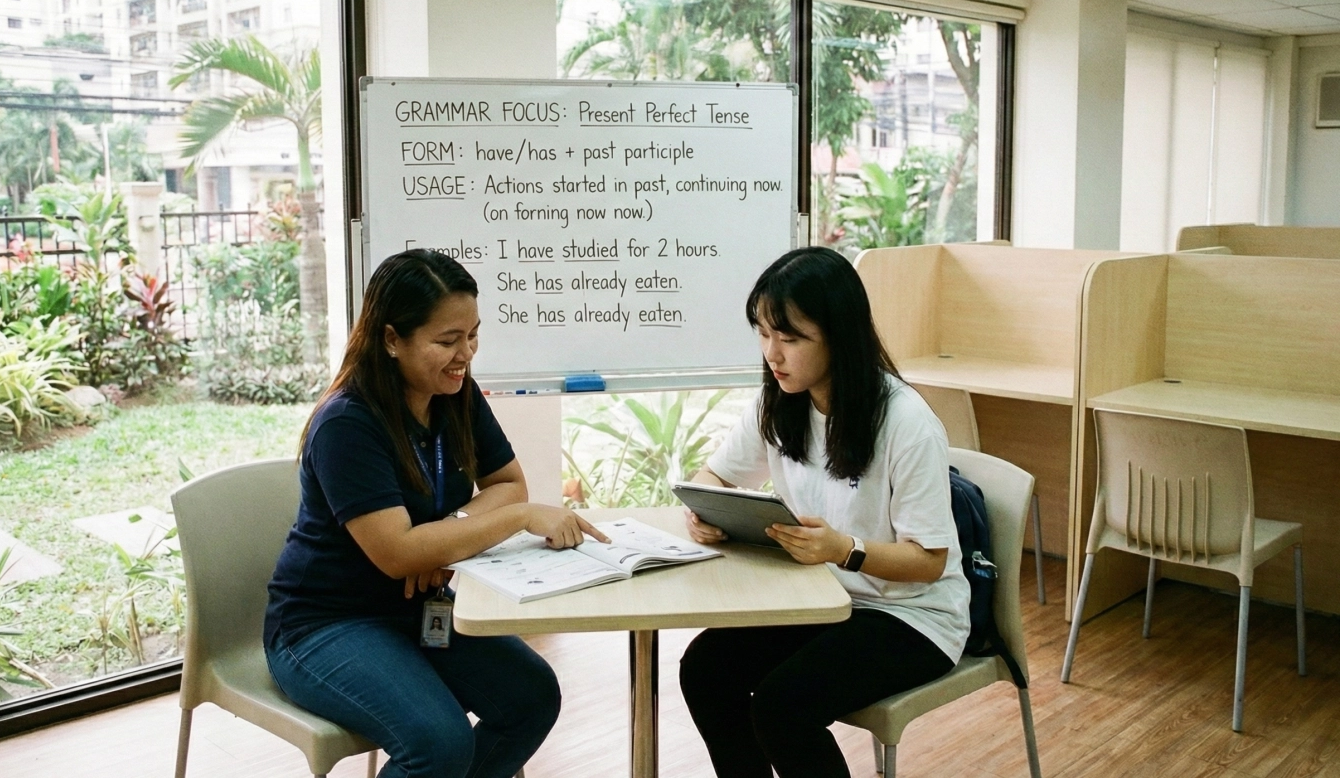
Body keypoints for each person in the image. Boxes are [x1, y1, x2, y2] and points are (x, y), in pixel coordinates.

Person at [264, 248, 608, 778]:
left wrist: (449, 533)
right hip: (326, 624)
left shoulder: (455, 393)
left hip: (418, 608)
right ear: (391, 339)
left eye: (472, 335)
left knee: (531, 698)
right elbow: (398, 553)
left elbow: (507, 483)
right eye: (447, 340)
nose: (464, 354)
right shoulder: (347, 425)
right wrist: (514, 519)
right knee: (440, 745)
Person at [679, 246, 968, 778]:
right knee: (704, 670)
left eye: (790, 338)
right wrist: (704, 509)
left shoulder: (905, 423)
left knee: (782, 706)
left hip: (913, 617)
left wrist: (846, 551)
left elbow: (928, 561)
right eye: (764, 333)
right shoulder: (780, 401)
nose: (773, 353)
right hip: (823, 600)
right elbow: (713, 476)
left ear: (840, 336)